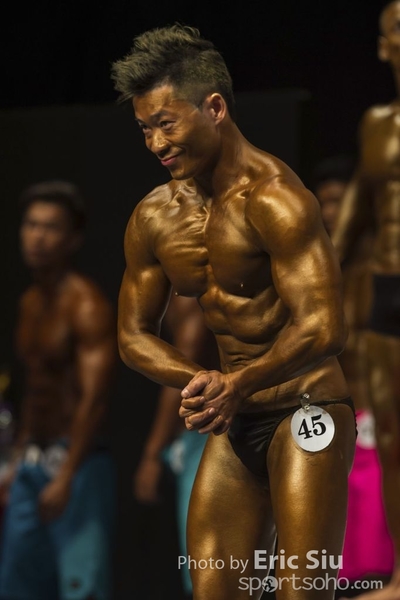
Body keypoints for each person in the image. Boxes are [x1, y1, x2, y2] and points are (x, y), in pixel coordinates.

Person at [112, 24, 356, 600]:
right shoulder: (154, 217)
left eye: (166, 123)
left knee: (304, 593)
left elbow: (325, 326)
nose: (155, 143)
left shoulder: (275, 198)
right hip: (234, 416)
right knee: (215, 591)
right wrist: (203, 382)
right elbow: (133, 336)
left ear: (214, 108)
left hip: (307, 408)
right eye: (144, 128)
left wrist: (238, 382)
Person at [0, 180, 117, 600]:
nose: (38, 236)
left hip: (77, 461)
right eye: (31, 225)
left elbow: (94, 399)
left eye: (50, 227)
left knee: (81, 588)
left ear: (73, 240)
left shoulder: (86, 304)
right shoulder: (30, 303)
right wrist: (16, 462)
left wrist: (67, 473)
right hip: (32, 461)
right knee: (17, 586)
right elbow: (36, 388)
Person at [332, 3, 400, 598]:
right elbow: (355, 208)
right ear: (384, 46)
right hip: (388, 287)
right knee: (394, 438)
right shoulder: (376, 124)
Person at [313, 156, 395, 590]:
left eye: (339, 202)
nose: (331, 213)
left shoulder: (387, 267)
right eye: (324, 203)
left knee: (379, 566)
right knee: (337, 573)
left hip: (383, 423)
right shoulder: (319, 275)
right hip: (336, 426)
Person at [134, 293, 219, 598]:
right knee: (198, 564)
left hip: (210, 433)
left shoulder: (190, 298)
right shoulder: (169, 292)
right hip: (190, 438)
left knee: (209, 568)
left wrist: (152, 454)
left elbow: (185, 377)